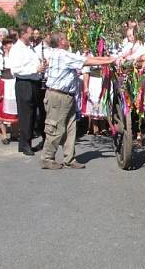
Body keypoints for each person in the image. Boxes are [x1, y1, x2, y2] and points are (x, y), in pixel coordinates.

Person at [40, 33, 118, 169]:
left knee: (70, 127)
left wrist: (109, 58)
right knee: (55, 127)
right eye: (65, 38)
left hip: (67, 96)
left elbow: (88, 59)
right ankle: (47, 158)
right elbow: (87, 61)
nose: (68, 40)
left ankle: (69, 158)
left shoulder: (60, 53)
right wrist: (110, 60)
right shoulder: (62, 55)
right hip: (58, 95)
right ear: (61, 41)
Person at [6, 24, 46, 156]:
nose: (33, 36)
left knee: (33, 114)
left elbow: (33, 63)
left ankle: (27, 141)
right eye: (30, 33)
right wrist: (35, 69)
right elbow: (16, 70)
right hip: (24, 84)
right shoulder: (16, 49)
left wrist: (41, 65)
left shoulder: (30, 48)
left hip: (34, 82)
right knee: (26, 115)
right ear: (23, 34)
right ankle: (25, 144)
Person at [0, 36, 18, 144]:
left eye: (11, 43)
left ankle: (15, 133)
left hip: (15, 83)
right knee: (2, 110)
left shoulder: (16, 57)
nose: (9, 46)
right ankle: (4, 134)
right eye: (7, 44)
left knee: (15, 109)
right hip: (4, 84)